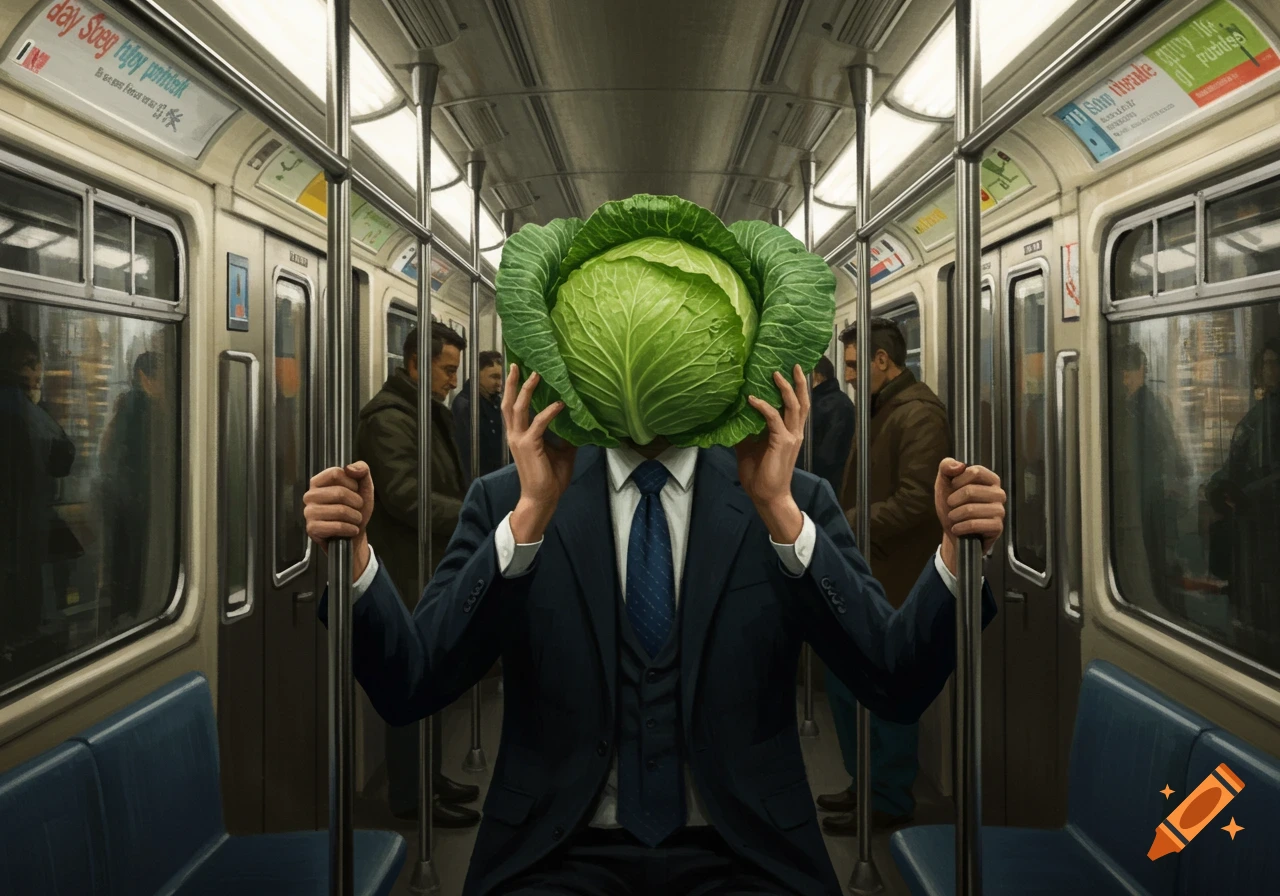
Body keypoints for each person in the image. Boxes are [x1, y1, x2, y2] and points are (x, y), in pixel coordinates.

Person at [304, 359, 1004, 896]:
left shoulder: (789, 496)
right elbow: (412, 683)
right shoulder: (507, 499)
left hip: (746, 849)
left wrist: (950, 553)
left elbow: (895, 678)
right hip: (554, 849)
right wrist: (365, 557)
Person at [818, 319, 950, 835]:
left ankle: (890, 796)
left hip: (894, 574)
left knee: (889, 692)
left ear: (881, 361)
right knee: (849, 685)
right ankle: (863, 783)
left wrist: (846, 523)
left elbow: (919, 502)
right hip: (866, 569)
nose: (849, 377)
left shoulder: (918, 415)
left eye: (854, 365)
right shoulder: (881, 409)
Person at [354, 321, 479, 828]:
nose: (454, 380)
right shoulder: (388, 420)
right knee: (411, 679)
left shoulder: (425, 412)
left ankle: (429, 777)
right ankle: (410, 795)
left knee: (430, 676)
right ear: (413, 364)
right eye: (447, 370)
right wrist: (473, 512)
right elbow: (406, 495)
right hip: (407, 568)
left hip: (430, 563)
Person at [0, 330, 76, 678]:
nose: (38, 372)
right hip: (23, 533)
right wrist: (37, 404)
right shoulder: (22, 408)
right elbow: (63, 457)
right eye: (31, 364)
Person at [1206, 337, 1280, 660]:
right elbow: (1235, 464)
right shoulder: (1258, 413)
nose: (1270, 370)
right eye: (1265, 363)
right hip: (1249, 532)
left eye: (1275, 362)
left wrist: (1249, 495)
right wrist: (1218, 484)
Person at [1112, 344, 1189, 619]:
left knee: (1156, 563)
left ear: (1142, 371)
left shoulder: (1149, 406)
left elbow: (1172, 453)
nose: (1125, 378)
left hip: (1152, 497)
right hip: (1141, 496)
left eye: (1130, 371)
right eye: (1122, 371)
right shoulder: (1126, 406)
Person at [100, 352, 163, 631]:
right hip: (136, 503)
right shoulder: (144, 409)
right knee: (134, 569)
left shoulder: (124, 405)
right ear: (144, 377)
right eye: (161, 377)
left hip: (120, 502)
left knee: (122, 569)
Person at [454, 350, 507, 480]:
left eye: (501, 377)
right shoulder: (465, 405)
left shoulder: (496, 402)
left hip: (496, 477)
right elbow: (466, 454)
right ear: (476, 374)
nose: (499, 383)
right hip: (479, 479)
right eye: (494, 377)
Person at [809, 355, 854, 495]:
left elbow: (827, 458)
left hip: (824, 488)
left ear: (817, 376)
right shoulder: (828, 402)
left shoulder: (834, 405)